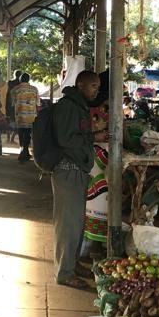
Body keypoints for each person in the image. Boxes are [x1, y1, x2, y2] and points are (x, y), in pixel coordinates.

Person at [50, 71, 103, 288]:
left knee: (77, 221)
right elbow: (66, 139)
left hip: (77, 169)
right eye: (93, 86)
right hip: (67, 169)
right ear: (80, 85)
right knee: (68, 223)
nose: (96, 91)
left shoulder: (78, 105)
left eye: (97, 87)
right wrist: (94, 137)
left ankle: (73, 263)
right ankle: (64, 272)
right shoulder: (68, 107)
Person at [11, 73, 40, 162]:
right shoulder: (34, 89)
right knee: (28, 133)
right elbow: (38, 103)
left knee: (21, 133)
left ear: (20, 80)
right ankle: (25, 150)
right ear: (28, 80)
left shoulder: (15, 90)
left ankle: (23, 151)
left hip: (20, 115)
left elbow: (13, 103)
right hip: (31, 116)